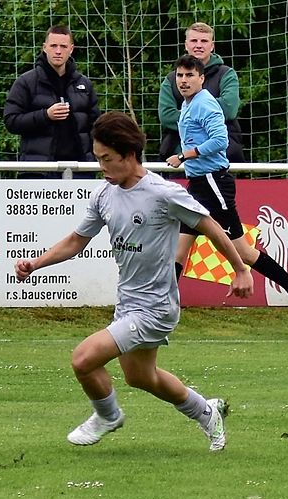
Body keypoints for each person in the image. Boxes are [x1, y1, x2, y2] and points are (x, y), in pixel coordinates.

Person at [14, 111, 253, 452]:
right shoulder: (104, 195)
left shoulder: (162, 193)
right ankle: (206, 411)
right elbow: (77, 240)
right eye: (98, 158)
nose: (101, 166)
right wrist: (36, 264)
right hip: (128, 303)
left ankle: (108, 416)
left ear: (128, 155)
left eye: (106, 158)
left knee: (83, 359)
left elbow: (210, 226)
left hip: (156, 307)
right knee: (141, 377)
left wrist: (240, 269)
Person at [166, 54, 288, 328]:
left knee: (244, 253)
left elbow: (220, 141)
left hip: (213, 184)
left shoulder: (205, 104)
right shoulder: (188, 104)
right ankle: (162, 309)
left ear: (201, 78)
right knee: (178, 249)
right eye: (180, 76)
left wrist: (185, 156)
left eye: (190, 76)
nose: (184, 81)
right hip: (198, 184)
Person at [3, 25, 100, 178]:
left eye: (63, 46)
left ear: (71, 49)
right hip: (39, 171)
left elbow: (96, 127)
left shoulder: (84, 84)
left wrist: (95, 159)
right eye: (53, 45)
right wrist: (45, 115)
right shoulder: (26, 82)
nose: (58, 51)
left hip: (81, 170)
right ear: (45, 48)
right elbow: (11, 121)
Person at [158, 22, 245, 163]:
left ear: (212, 46)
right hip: (178, 155)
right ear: (186, 45)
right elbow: (167, 115)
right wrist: (209, 113)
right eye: (194, 41)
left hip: (223, 156)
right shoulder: (171, 79)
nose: (198, 45)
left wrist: (188, 115)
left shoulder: (226, 74)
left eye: (204, 41)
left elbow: (229, 109)